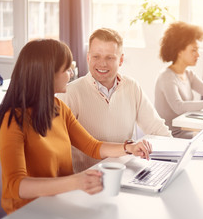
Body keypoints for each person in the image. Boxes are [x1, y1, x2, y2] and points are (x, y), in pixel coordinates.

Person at [0, 39, 152, 214]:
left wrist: (129, 148)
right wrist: (76, 181)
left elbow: (92, 146)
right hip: (29, 212)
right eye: (67, 69)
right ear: (48, 74)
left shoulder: (58, 108)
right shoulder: (13, 120)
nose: (71, 74)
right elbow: (17, 186)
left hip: (60, 202)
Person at [57, 28, 171, 173]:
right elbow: (60, 147)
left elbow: (157, 129)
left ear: (121, 60)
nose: (102, 64)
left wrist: (179, 151)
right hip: (87, 179)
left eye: (110, 58)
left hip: (126, 174)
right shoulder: (70, 93)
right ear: (88, 58)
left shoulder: (132, 87)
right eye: (96, 56)